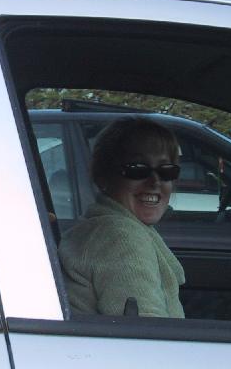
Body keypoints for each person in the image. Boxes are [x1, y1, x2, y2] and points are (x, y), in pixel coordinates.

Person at [58, 116, 185, 318]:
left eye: (166, 171)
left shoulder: (101, 227)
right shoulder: (121, 237)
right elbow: (146, 330)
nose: (155, 181)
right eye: (137, 169)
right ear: (103, 177)